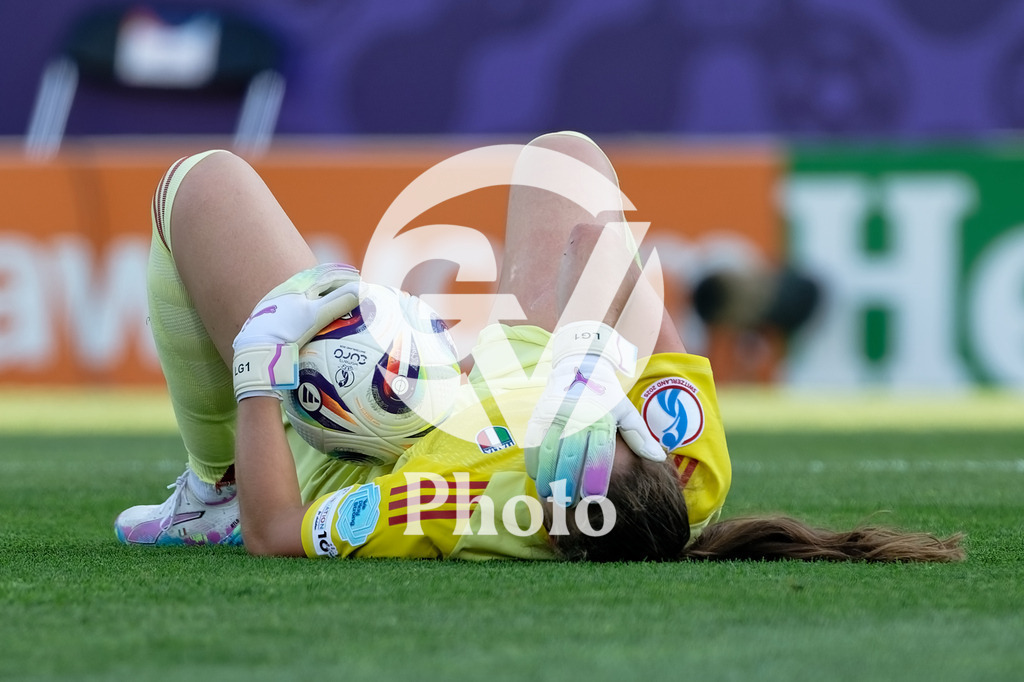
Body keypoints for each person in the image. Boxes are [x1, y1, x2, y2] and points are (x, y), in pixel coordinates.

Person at [116, 132, 964, 562]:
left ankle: (208, 486)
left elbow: (278, 533)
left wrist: (261, 372)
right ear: (648, 445)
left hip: (374, 421)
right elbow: (608, 248)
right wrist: (588, 352)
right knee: (569, 157)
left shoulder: (463, 506)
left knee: (202, 182)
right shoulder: (692, 471)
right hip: (499, 355)